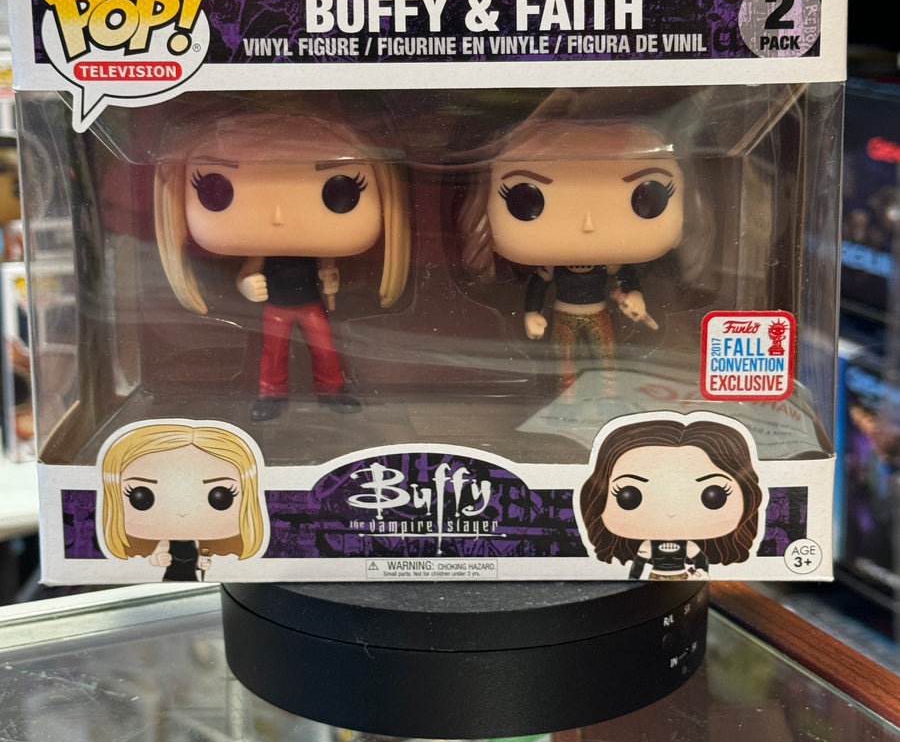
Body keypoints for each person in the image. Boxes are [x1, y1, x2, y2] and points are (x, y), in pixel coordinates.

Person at [155, 109, 409, 420]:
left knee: (325, 348)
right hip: (276, 308)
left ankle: (332, 389)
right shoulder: (263, 252)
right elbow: (247, 274)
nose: (278, 216)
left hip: (311, 305)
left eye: (341, 190)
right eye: (216, 190)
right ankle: (271, 395)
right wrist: (247, 286)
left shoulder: (318, 250)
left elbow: (327, 269)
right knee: (273, 353)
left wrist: (331, 279)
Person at [460, 100, 702, 394]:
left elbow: (626, 278)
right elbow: (538, 285)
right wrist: (532, 312)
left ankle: (609, 390)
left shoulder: (610, 263)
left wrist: (635, 295)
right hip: (564, 314)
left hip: (598, 312)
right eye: (525, 200)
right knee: (565, 360)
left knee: (606, 354)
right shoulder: (553, 265)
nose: (588, 224)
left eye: (647, 196)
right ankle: (568, 394)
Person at [576, 413, 763, 578]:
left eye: (714, 496)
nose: (671, 512)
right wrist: (633, 579)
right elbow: (638, 566)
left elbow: (701, 561)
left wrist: (699, 573)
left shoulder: (688, 547)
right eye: (629, 496)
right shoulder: (647, 547)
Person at [101, 421, 266, 580]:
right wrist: (158, 559)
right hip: (169, 578)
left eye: (220, 497)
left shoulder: (196, 541)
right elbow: (155, 558)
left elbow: (196, 560)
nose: (182, 511)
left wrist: (201, 564)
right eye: (142, 496)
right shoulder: (165, 542)